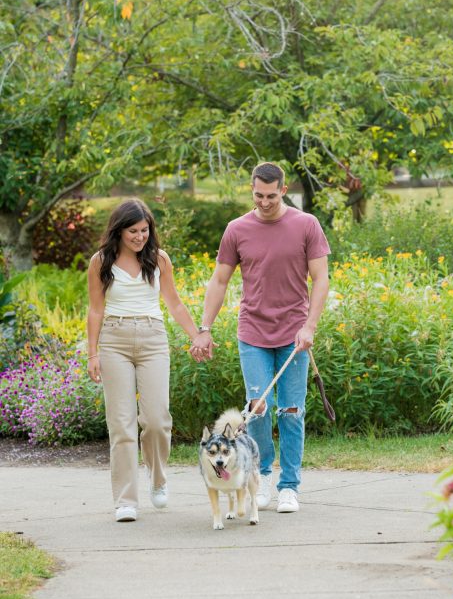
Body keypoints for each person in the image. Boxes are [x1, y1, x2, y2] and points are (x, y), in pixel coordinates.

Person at [190, 162, 330, 515]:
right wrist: (204, 328)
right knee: (258, 410)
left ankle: (289, 486)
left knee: (292, 412)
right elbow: (219, 280)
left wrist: (310, 326)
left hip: (293, 335)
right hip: (253, 333)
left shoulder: (306, 224)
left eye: (271, 195)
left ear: (283, 190)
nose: (264, 202)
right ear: (251, 190)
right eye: (258, 195)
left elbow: (321, 279)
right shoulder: (237, 229)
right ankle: (263, 474)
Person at [86, 198, 203, 523]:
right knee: (121, 425)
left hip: (153, 339)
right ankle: (125, 500)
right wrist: (92, 352)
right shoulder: (101, 262)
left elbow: (175, 304)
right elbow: (95, 309)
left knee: (156, 419)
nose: (140, 236)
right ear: (119, 231)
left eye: (144, 230)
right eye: (133, 231)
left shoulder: (158, 259)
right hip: (114, 340)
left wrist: (197, 335)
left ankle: (158, 478)